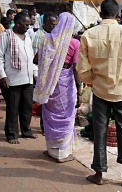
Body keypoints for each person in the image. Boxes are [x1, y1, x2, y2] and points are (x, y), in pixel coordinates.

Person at [76, 0, 122, 186]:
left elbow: (82, 68)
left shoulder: (89, 35)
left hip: (100, 91)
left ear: (100, 13)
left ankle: (98, 174)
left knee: (99, 131)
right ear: (117, 13)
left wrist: (91, 81)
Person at [33, 12, 81, 163]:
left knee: (51, 116)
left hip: (49, 84)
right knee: (65, 115)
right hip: (65, 83)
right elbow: (76, 68)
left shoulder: (47, 40)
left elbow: (36, 60)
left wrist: (50, 64)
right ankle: (62, 153)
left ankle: (52, 151)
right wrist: (79, 92)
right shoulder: (74, 43)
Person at [0, 12, 38, 144]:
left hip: (28, 78)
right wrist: (2, 76)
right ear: (18, 24)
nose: (28, 28)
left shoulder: (28, 38)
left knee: (27, 107)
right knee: (13, 108)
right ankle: (12, 133)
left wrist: (35, 73)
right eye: (26, 25)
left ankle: (26, 130)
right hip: (12, 79)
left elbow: (31, 58)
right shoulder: (6, 36)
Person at [32, 12, 58, 135]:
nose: (54, 27)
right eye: (52, 24)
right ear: (45, 23)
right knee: (43, 102)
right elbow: (35, 57)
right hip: (40, 74)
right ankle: (44, 126)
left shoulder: (51, 35)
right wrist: (36, 75)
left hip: (49, 74)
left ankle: (47, 125)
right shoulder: (40, 36)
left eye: (56, 25)